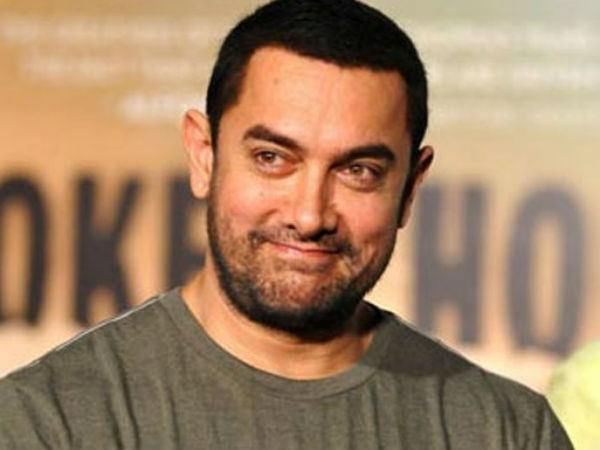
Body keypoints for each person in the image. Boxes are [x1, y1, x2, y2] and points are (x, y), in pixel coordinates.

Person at [0, 0, 572, 448]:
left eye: (359, 171)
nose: (308, 215)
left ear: (411, 187)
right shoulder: (46, 421)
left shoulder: (508, 431)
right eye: (272, 158)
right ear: (204, 156)